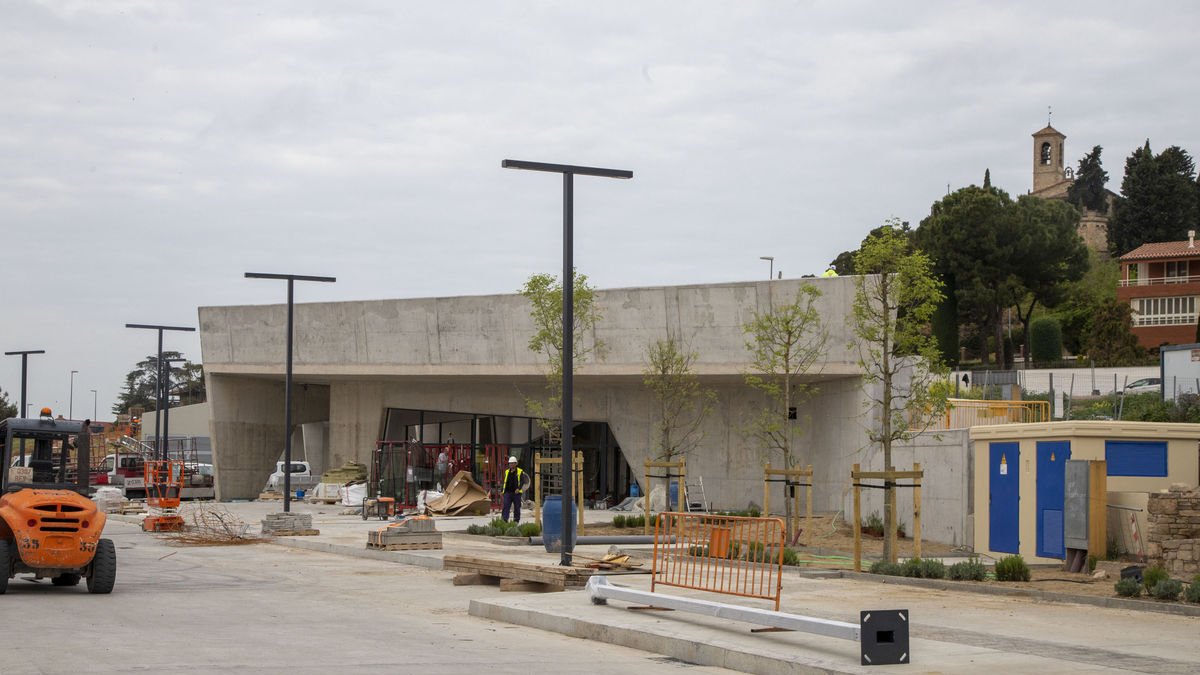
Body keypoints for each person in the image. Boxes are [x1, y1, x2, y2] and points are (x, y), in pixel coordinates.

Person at [500, 456, 530, 523]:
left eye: (512, 463)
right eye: (510, 463)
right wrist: (502, 490)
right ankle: (504, 519)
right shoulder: (507, 472)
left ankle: (516, 520)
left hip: (516, 493)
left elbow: (522, 481)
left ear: (516, 463)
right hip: (508, 492)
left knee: (517, 507)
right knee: (506, 506)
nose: (511, 464)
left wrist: (518, 489)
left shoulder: (520, 471)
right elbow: (505, 482)